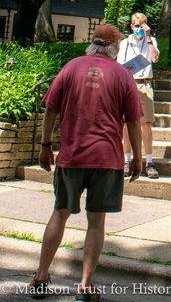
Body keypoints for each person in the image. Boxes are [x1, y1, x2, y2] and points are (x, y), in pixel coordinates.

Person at [28, 24, 143, 301]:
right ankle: (85, 286)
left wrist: (45, 146)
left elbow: (50, 110)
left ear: (92, 43)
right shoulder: (123, 75)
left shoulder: (71, 67)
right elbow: (133, 122)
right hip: (106, 158)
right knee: (96, 222)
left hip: (72, 155)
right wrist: (138, 157)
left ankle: (41, 276)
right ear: (115, 48)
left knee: (60, 212)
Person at [117, 12, 160, 179]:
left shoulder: (151, 41)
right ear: (131, 26)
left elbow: (154, 58)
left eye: (142, 25)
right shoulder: (124, 43)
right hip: (128, 84)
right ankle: (127, 160)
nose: (139, 29)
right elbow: (119, 67)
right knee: (126, 124)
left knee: (146, 123)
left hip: (144, 83)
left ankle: (149, 162)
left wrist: (148, 38)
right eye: (136, 26)